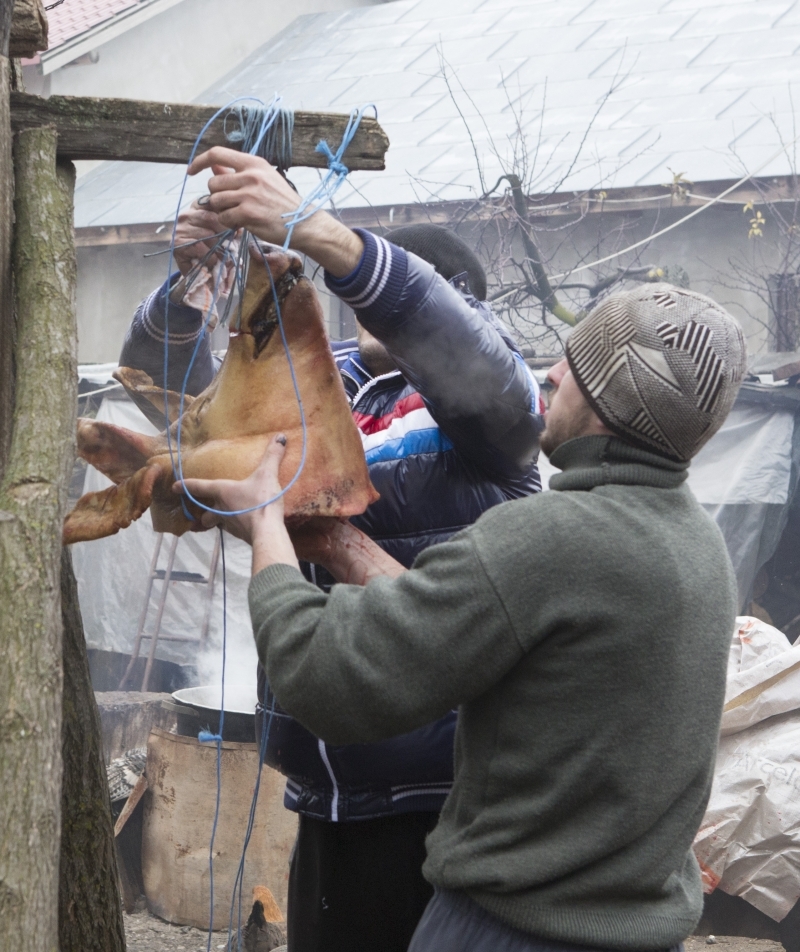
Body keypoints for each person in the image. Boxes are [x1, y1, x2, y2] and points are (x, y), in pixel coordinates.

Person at [174, 157, 747, 951]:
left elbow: (325, 671)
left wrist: (267, 522)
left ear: (612, 403)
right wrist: (335, 542)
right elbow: (487, 614)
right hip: (617, 919)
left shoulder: (543, 523)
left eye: (576, 364)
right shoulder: (694, 541)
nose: (551, 372)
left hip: (504, 914)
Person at [119, 149, 543, 951]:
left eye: (389, 294)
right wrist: (191, 287)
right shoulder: (316, 382)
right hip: (328, 780)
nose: (366, 308)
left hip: (448, 788)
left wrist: (325, 238)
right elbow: (185, 418)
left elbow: (473, 364)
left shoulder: (491, 415)